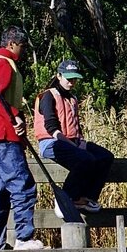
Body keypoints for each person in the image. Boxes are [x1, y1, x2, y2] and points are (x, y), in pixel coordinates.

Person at [34, 59, 114, 216]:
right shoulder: (48, 96)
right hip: (52, 142)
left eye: (74, 79)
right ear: (59, 76)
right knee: (85, 159)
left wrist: (80, 142)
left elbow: (76, 126)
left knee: (105, 156)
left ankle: (85, 198)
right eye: (68, 78)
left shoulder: (72, 99)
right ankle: (65, 198)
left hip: (72, 141)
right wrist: (72, 145)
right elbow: (51, 127)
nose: (71, 82)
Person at [0, 26, 43, 250]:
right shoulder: (3, 63)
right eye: (22, 46)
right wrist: (14, 117)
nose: (23, 51)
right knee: (23, 185)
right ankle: (24, 237)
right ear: (12, 43)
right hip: (3, 137)